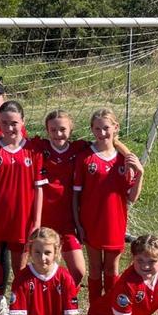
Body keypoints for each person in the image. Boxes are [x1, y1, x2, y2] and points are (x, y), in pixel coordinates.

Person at [32, 110, 133, 286]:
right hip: (44, 220)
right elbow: (15, 137)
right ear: (47, 130)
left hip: (69, 222)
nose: (58, 134)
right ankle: (44, 302)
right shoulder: (40, 147)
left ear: (71, 129)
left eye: (62, 129)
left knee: (79, 272)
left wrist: (129, 157)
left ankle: (65, 300)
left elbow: (108, 143)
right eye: (53, 130)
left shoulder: (79, 149)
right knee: (39, 268)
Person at [72, 107, 144, 302]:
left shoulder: (124, 159)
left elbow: (132, 198)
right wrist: (78, 223)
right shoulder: (85, 157)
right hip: (92, 222)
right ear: (92, 130)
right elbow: (76, 196)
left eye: (106, 128)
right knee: (95, 269)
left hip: (115, 223)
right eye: (97, 129)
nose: (102, 133)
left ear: (115, 127)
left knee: (112, 269)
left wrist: (140, 174)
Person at [0, 100, 46, 281]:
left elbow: (38, 190)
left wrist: (36, 221)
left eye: (14, 123)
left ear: (23, 122)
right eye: (4, 123)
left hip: (22, 221)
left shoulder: (33, 150)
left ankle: (19, 308)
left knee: (20, 270)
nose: (9, 127)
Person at [8, 227, 81, 315]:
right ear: (30, 251)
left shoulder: (64, 277)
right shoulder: (21, 279)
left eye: (47, 252)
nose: (42, 258)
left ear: (56, 252)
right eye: (37, 252)